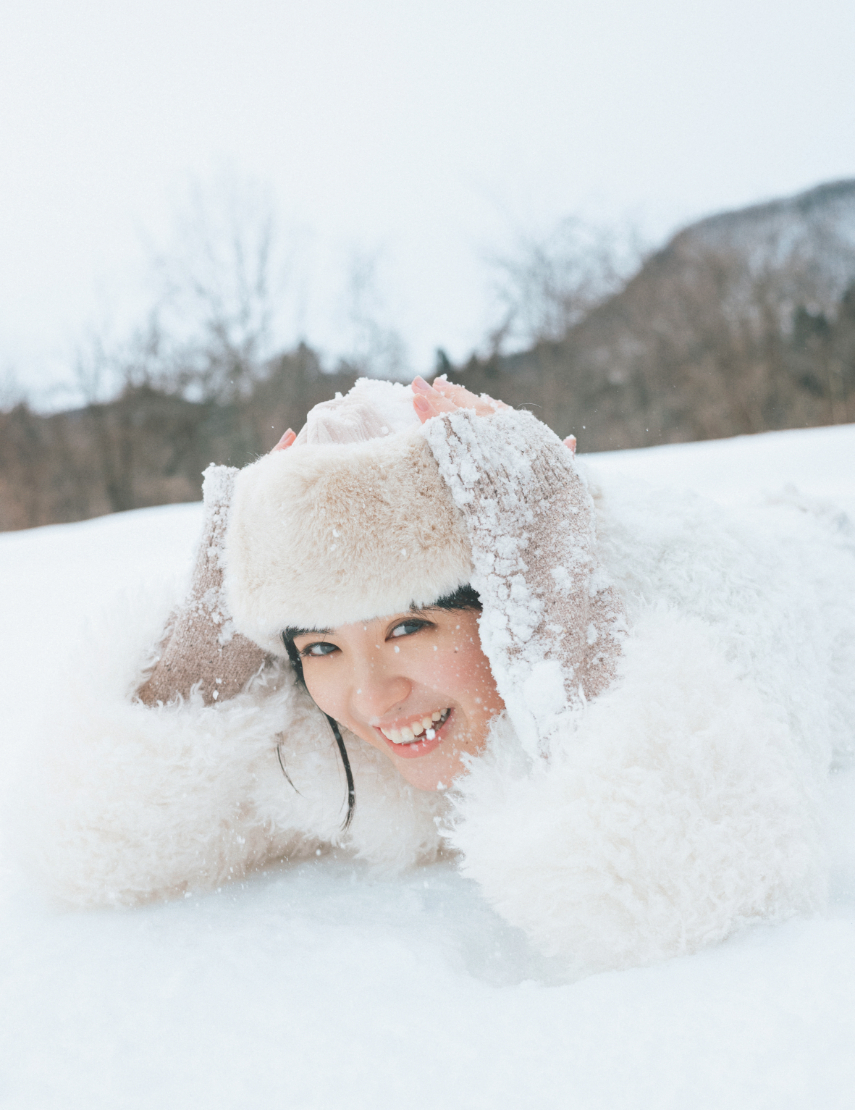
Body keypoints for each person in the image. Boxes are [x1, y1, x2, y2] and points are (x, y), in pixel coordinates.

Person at [14, 376, 855, 972]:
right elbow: (100, 852)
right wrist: (208, 638)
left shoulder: (665, 607)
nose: (372, 697)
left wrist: (551, 610)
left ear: (505, 594)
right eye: (321, 647)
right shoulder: (312, 732)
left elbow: (695, 882)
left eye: (410, 625)